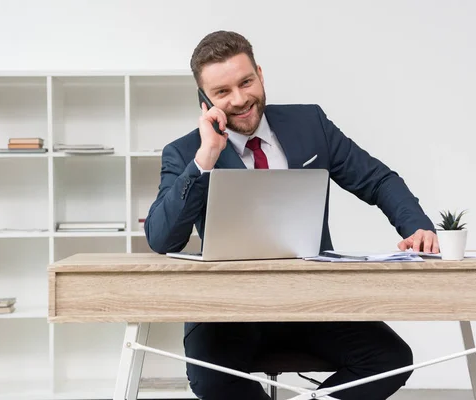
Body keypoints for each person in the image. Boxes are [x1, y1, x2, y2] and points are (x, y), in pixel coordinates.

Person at [144, 30, 439, 400]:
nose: (239, 99)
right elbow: (161, 237)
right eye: (222, 92)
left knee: (391, 358)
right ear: (205, 101)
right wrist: (205, 158)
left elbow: (377, 180)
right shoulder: (185, 152)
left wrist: (418, 227)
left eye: (246, 82)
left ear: (260, 75)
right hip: (227, 310)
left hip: (311, 300)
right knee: (212, 380)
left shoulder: (310, 124)